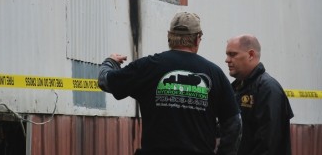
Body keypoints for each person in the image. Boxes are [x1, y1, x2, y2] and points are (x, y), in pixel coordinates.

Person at [98, 12, 242, 155]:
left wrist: (110, 62)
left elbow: (105, 81)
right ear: (198, 39)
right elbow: (234, 123)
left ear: (169, 37)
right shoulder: (215, 74)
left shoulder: (147, 67)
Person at [225, 34, 294, 155]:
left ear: (251, 55)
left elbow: (268, 142)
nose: (227, 60)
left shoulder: (268, 89)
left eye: (233, 54)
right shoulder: (236, 88)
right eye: (227, 54)